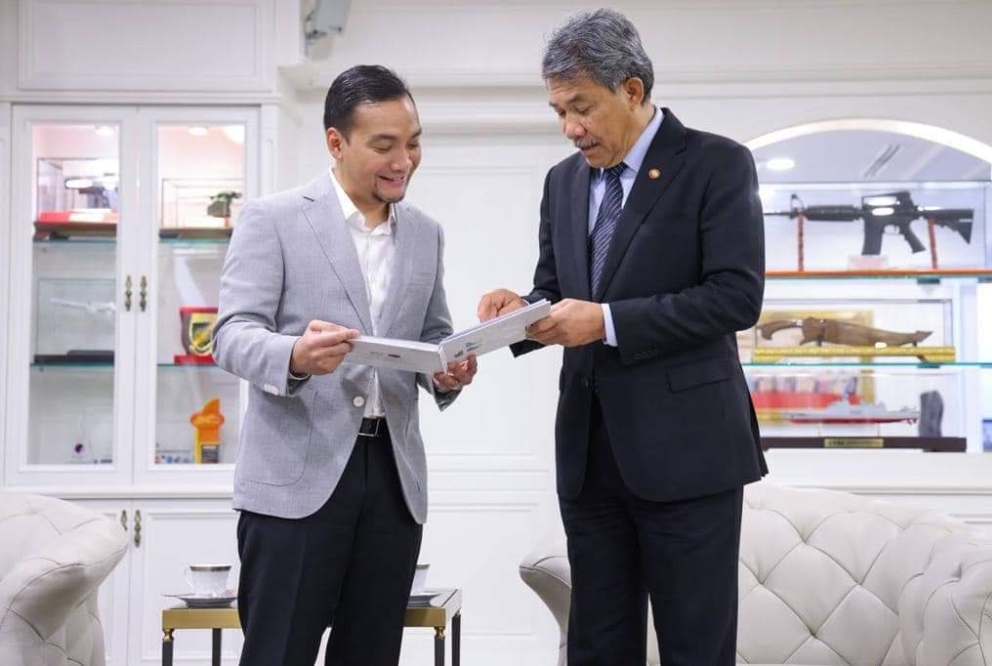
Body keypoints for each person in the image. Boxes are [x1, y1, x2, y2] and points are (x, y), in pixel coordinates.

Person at [477, 9, 766, 665]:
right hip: (589, 455)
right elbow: (556, 288)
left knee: (695, 646)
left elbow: (736, 296)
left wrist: (606, 323)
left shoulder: (718, 164)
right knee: (598, 647)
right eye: (558, 111)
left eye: (582, 107)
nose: (570, 128)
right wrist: (517, 311)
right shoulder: (563, 181)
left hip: (690, 455)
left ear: (632, 90)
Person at [213, 64, 476, 666]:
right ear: (336, 143)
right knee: (278, 653)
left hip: (391, 481)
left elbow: (433, 335)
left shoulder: (425, 234)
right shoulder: (273, 218)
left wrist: (446, 371)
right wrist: (294, 357)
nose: (403, 161)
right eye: (384, 146)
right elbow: (230, 335)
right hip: (295, 484)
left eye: (412, 144)